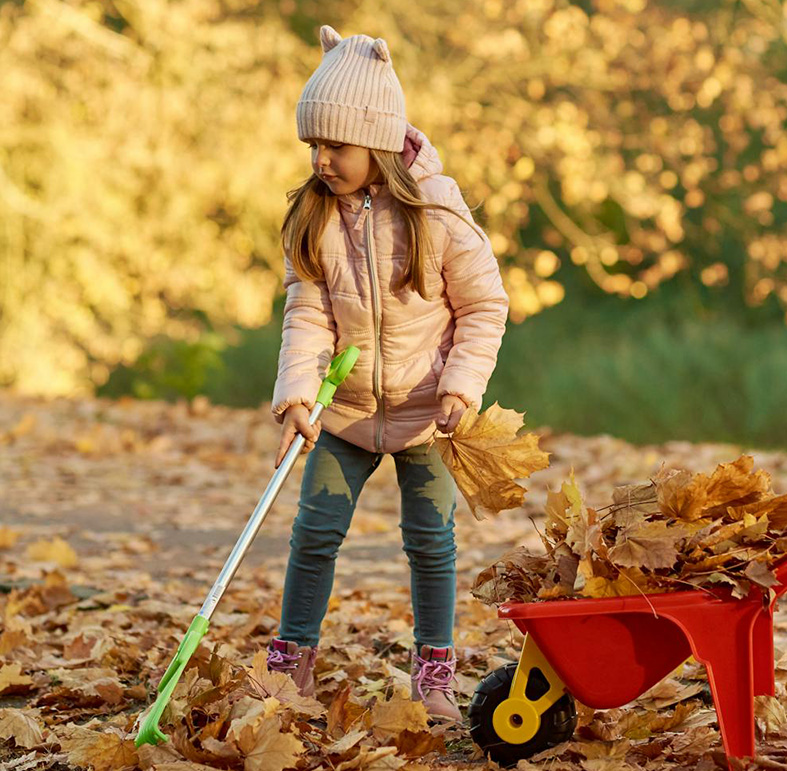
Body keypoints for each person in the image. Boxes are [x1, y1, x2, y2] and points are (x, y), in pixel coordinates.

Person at [264, 24, 509, 724]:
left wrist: (461, 386)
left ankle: (434, 665)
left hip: (427, 411)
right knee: (314, 531)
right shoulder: (316, 215)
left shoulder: (435, 211)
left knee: (431, 538)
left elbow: (484, 304)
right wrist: (298, 397)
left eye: (334, 146)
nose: (321, 160)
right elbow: (306, 313)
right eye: (313, 146)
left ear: (374, 142)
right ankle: (292, 661)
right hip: (345, 411)